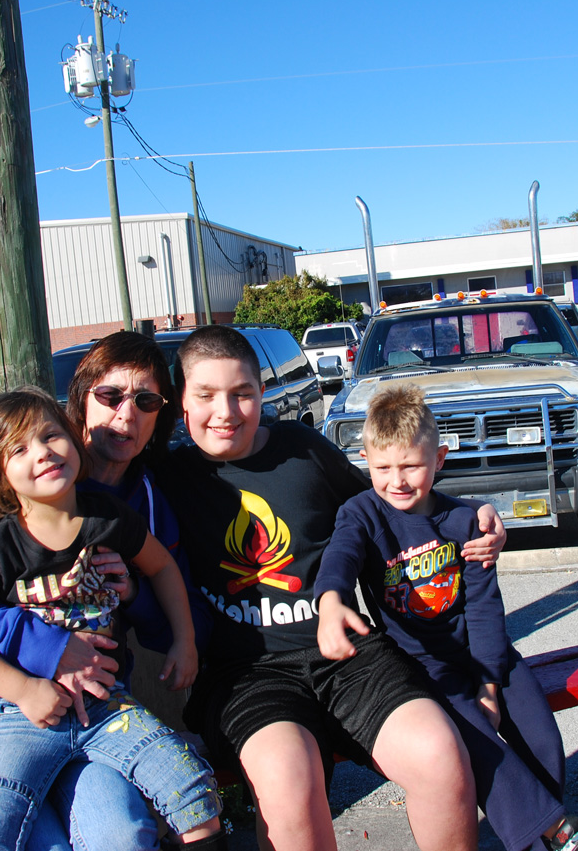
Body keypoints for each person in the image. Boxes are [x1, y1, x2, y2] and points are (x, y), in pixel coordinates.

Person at [156, 324, 508, 851]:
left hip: (349, 655)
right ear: (181, 401)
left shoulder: (303, 451)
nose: (225, 412)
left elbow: (389, 506)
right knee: (287, 785)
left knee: (441, 754)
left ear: (263, 393)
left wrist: (469, 518)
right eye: (206, 396)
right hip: (244, 675)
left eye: (242, 394)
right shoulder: (166, 476)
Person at [0, 332, 212, 851]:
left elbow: (177, 614)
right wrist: (47, 647)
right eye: (110, 396)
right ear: (81, 404)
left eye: (146, 401)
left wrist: (130, 591)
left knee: (121, 832)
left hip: (86, 714)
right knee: (37, 840)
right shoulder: (17, 489)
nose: (126, 415)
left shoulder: (141, 507)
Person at [312, 384, 578, 851]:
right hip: (421, 667)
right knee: (480, 743)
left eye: (411, 466)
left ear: (439, 459)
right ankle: (563, 834)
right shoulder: (361, 514)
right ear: (365, 462)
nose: (397, 480)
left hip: (485, 653)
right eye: (382, 468)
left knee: (541, 739)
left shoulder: (465, 523)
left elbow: (483, 606)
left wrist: (490, 684)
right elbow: (341, 557)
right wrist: (331, 599)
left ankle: (542, 842)